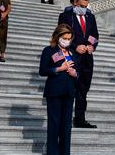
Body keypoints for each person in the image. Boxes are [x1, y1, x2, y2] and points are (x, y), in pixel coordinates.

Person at [57, 0, 99, 128]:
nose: (84, 8)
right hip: (72, 56)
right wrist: (75, 46)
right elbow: (61, 35)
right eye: (81, 6)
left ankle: (80, 119)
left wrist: (91, 45)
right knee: (69, 88)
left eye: (86, 6)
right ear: (75, 3)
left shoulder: (90, 16)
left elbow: (94, 34)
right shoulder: (65, 16)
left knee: (83, 89)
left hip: (87, 58)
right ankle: (65, 118)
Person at [39, 23, 79, 155]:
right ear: (58, 36)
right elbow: (43, 70)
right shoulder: (49, 50)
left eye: (69, 38)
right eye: (65, 38)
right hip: (54, 91)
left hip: (69, 91)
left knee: (66, 126)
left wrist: (75, 74)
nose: (67, 41)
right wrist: (59, 68)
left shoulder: (72, 52)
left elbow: (78, 73)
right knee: (54, 124)